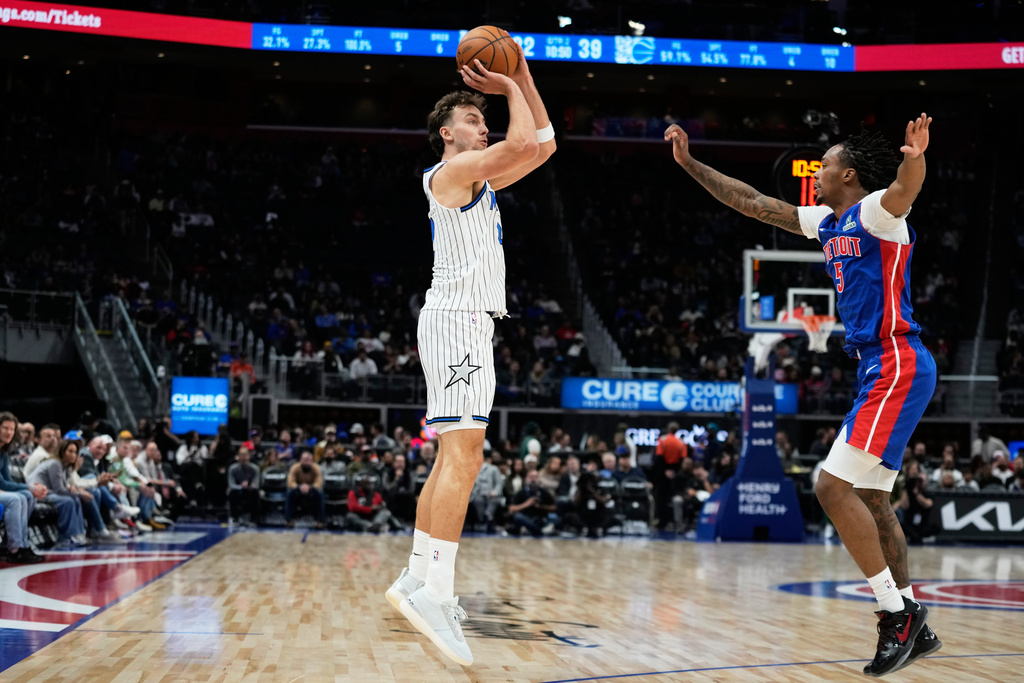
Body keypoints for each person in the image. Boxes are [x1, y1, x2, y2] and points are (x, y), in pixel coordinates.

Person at [666, 112, 940, 676]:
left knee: (830, 488)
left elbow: (904, 192)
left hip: (897, 361)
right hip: (878, 368)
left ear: (849, 176)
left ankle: (896, 615)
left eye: (826, 165)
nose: (817, 172)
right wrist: (690, 164)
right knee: (871, 501)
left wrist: (914, 161)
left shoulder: (875, 214)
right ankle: (915, 617)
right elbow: (754, 202)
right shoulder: (827, 220)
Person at [388, 41, 556, 667]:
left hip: (461, 323)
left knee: (450, 460)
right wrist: (507, 88)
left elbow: (541, 146)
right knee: (466, 458)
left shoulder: (476, 175)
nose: (481, 121)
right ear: (444, 133)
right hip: (458, 323)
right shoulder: (451, 173)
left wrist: (524, 74)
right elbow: (517, 143)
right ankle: (436, 593)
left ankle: (416, 575)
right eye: (470, 118)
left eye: (482, 116)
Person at [0, 412, 47, 563]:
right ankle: (15, 549)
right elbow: (2, 484)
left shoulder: (3, 452)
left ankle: (21, 544)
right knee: (16, 499)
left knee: (28, 496)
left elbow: (7, 480)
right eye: (5, 428)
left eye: (12, 429)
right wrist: (30, 487)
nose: (9, 432)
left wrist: (30, 490)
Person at [285, 450, 325, 528]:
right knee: (289, 492)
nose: (307, 462)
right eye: (305, 460)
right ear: (301, 460)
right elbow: (290, 482)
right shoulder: (295, 467)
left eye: (310, 460)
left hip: (311, 490)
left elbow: (319, 482)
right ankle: (288, 520)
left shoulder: (316, 468)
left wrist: (309, 487)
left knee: (320, 492)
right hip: (298, 489)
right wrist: (299, 487)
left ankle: (320, 521)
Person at [227, 446, 261, 526]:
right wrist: (241, 486)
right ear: (238, 457)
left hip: (250, 491)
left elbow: (256, 484)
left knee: (256, 493)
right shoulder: (232, 468)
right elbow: (231, 484)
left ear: (249, 456)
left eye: (245, 455)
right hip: (238, 491)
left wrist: (249, 485)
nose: (243, 458)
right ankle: (234, 518)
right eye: (241, 455)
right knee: (232, 492)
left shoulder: (255, 468)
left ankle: (253, 519)